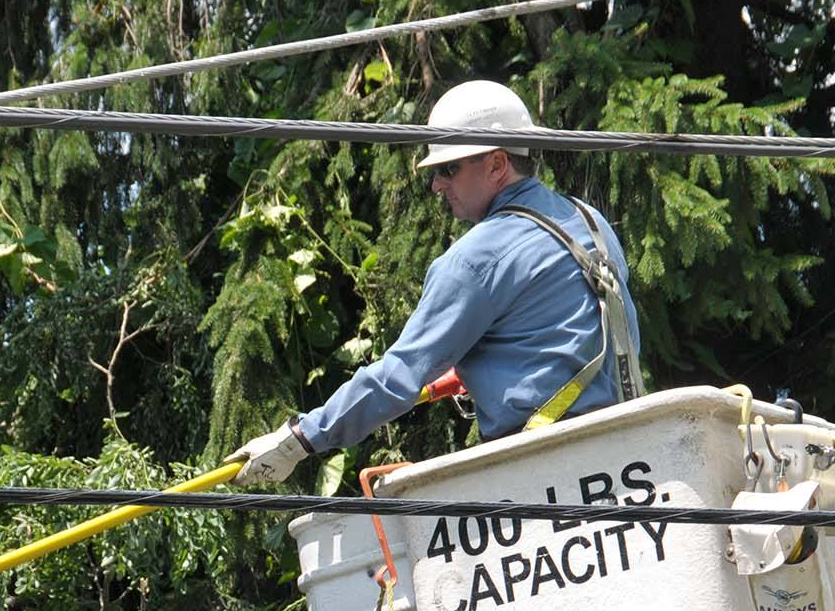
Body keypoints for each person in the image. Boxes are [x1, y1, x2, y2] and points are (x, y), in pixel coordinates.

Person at [230, 80, 641, 486]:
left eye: (449, 168)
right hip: (630, 449)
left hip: (546, 471)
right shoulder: (589, 220)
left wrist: (298, 439)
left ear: (497, 164)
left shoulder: (475, 259)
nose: (436, 184)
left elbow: (398, 377)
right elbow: (561, 332)